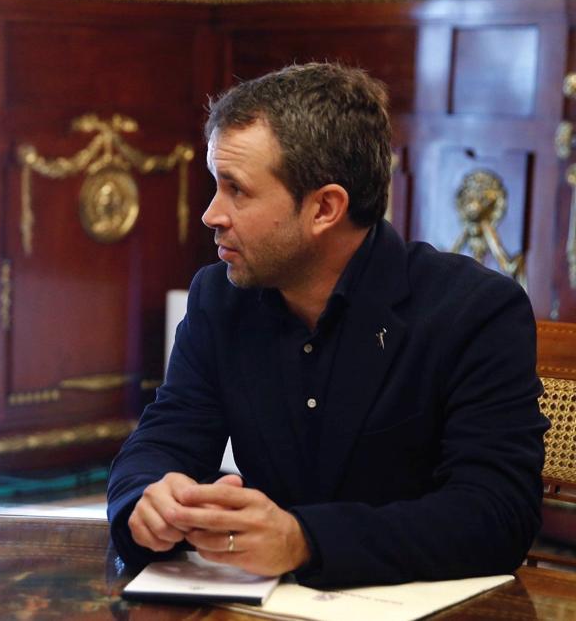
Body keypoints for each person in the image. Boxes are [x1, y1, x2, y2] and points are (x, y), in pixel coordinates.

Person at [107, 62, 547, 588]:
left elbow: (496, 516)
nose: (211, 213)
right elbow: (164, 439)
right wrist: (147, 499)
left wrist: (304, 539)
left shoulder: (475, 311)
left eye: (236, 190)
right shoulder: (219, 298)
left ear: (324, 208)